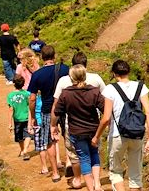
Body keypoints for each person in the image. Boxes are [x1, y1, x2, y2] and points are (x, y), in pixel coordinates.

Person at [52, 52, 106, 189]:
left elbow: (56, 110)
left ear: (72, 76)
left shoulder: (66, 92)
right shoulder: (94, 90)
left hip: (75, 130)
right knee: (94, 154)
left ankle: (88, 186)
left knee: (83, 158)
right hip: (94, 129)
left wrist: (53, 125)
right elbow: (106, 107)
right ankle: (98, 184)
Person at [102, 59, 149, 191]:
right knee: (136, 175)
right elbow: (148, 112)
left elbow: (106, 117)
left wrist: (97, 136)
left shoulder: (110, 89)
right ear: (128, 72)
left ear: (114, 74)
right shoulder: (140, 87)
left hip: (117, 134)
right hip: (137, 134)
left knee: (116, 171)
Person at [27, 45, 70, 182]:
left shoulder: (37, 75)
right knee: (68, 135)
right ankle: (69, 162)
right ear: (54, 56)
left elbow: (32, 99)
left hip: (47, 110)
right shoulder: (65, 69)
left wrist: (33, 116)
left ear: (41, 57)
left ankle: (56, 173)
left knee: (50, 141)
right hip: (66, 108)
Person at [7, 75, 31, 161]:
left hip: (17, 119)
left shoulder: (10, 95)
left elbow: (11, 110)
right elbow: (30, 106)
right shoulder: (27, 94)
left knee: (19, 136)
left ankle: (23, 150)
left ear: (14, 84)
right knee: (28, 134)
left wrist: (10, 123)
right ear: (23, 84)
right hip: (27, 117)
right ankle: (25, 150)